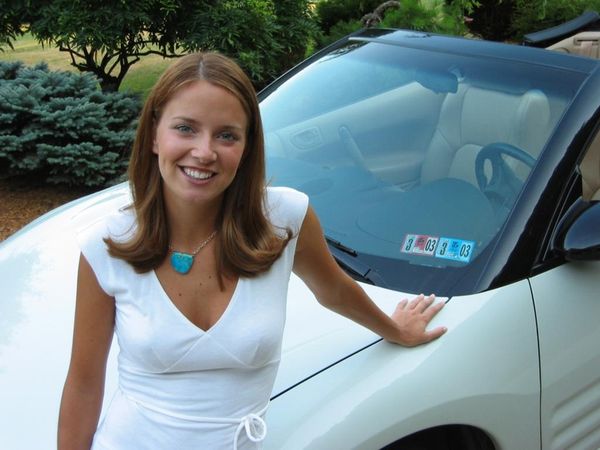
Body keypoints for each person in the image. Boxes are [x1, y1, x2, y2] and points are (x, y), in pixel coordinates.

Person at [57, 52, 446, 450]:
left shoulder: (285, 219)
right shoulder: (106, 246)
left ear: (246, 147)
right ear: (155, 135)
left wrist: (396, 330)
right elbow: (84, 383)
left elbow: (334, 290)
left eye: (226, 135)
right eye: (185, 128)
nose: (204, 152)